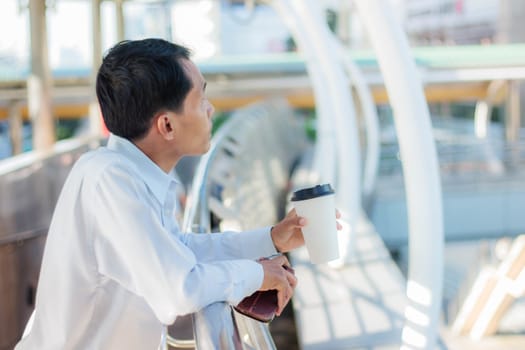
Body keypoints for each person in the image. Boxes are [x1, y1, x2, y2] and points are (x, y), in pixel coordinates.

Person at [15, 38, 340, 350]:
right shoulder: (110, 181)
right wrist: (257, 274)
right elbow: (177, 289)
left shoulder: (129, 174)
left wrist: (273, 239)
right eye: (200, 100)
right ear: (167, 126)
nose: (211, 110)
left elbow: (179, 250)